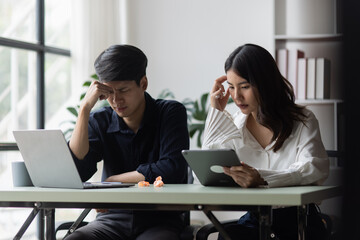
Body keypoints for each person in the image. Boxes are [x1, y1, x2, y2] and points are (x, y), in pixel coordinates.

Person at [202, 44, 329, 240]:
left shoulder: (303, 119)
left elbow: (314, 167)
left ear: (265, 83)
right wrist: (216, 112)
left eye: (244, 86)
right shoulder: (235, 123)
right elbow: (204, 170)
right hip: (256, 219)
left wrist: (263, 178)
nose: (236, 96)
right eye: (231, 87)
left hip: (298, 219)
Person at [66, 44, 189, 240]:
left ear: (144, 83)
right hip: (111, 220)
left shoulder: (170, 113)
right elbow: (76, 171)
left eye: (123, 90)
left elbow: (172, 169)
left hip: (159, 219)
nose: (116, 100)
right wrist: (84, 110)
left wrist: (114, 180)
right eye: (108, 93)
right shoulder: (100, 120)